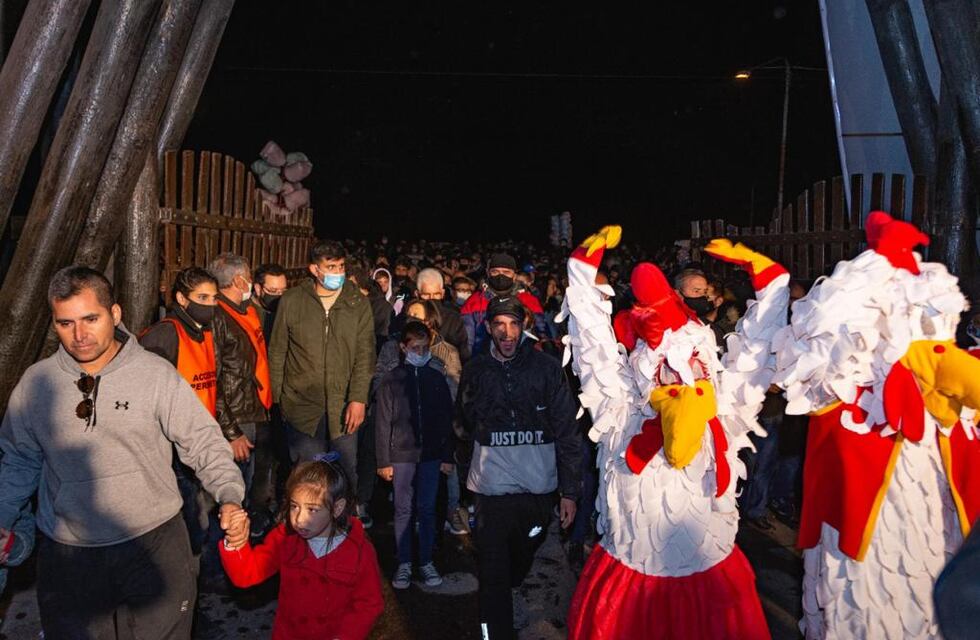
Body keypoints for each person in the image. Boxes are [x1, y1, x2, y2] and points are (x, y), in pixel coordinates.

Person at [0, 266, 245, 638]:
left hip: (154, 544)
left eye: (90, 319)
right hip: (69, 554)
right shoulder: (37, 384)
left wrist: (228, 495)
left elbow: (202, 440)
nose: (79, 335)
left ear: (115, 314)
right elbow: (18, 459)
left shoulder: (155, 375)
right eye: (66, 324)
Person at [455, 295, 581, 638]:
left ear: (524, 325)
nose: (507, 332)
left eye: (514, 324)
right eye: (500, 325)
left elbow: (568, 431)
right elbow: (462, 429)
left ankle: (515, 576)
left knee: (521, 556)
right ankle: (492, 635)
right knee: (493, 576)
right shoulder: (476, 371)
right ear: (488, 327)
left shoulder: (547, 369)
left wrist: (569, 491)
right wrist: (465, 493)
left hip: (536, 490)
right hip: (491, 491)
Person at [220, 453, 384, 639]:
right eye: (294, 506)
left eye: (312, 509)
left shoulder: (358, 550)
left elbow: (369, 603)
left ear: (337, 508)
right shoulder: (285, 539)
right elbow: (247, 574)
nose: (299, 519)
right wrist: (235, 543)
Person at [268, 240, 375, 506]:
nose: (337, 273)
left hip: (344, 406)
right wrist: (279, 400)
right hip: (302, 406)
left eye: (340, 267)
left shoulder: (356, 303)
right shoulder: (293, 301)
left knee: (345, 473)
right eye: (330, 267)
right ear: (314, 269)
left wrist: (358, 398)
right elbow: (278, 351)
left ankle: (345, 530)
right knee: (306, 475)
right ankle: (304, 531)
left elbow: (365, 355)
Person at [375, 321, 455, 589]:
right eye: (414, 348)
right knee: (402, 509)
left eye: (424, 348)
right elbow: (383, 422)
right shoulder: (391, 380)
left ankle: (426, 560)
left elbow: (446, 419)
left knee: (427, 508)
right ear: (403, 348)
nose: (420, 353)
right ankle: (405, 561)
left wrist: (447, 455)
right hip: (401, 455)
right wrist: (383, 460)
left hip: (431, 455)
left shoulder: (436, 378)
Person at [210, 254, 275, 531]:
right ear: (238, 280)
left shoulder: (245, 310)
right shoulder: (218, 317)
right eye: (248, 275)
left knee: (249, 483)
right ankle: (230, 550)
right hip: (236, 417)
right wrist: (231, 431)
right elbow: (215, 378)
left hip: (254, 407)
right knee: (234, 488)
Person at [459, 253, 547, 356]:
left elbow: (543, 334)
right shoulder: (474, 302)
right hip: (484, 363)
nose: (501, 276)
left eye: (506, 272)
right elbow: (467, 343)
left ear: (514, 276)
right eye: (495, 272)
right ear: (488, 273)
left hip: (525, 363)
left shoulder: (529, 301)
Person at [416, 267, 471, 362]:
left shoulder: (454, 318)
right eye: (426, 295)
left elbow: (463, 352)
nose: (431, 299)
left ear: (442, 293)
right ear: (417, 294)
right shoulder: (410, 315)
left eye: (436, 294)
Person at [252, 263, 288, 343]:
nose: (279, 295)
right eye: (273, 291)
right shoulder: (246, 311)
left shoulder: (288, 308)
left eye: (283, 290)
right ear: (258, 289)